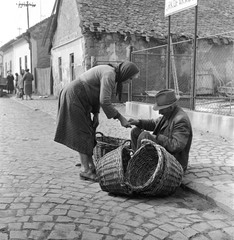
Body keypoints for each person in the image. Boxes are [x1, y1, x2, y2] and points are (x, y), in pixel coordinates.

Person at [54, 61, 140, 181]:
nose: (129, 81)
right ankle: (85, 170)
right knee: (82, 132)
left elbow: (96, 92)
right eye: (130, 78)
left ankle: (90, 165)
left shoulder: (111, 73)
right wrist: (121, 118)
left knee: (89, 130)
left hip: (82, 97)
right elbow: (104, 101)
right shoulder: (109, 74)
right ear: (125, 73)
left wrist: (96, 114)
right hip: (75, 95)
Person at [128, 89, 193, 172]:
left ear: (170, 107)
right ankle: (136, 161)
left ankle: (137, 167)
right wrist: (138, 122)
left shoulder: (181, 120)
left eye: (161, 109)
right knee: (135, 131)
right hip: (164, 153)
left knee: (145, 135)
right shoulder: (169, 113)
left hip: (174, 162)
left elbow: (176, 146)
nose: (159, 112)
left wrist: (157, 137)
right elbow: (154, 123)